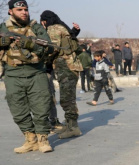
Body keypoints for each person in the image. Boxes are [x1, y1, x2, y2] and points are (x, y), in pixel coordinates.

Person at [0, 0, 53, 153]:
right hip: (12, 74)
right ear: (10, 12)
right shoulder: (3, 28)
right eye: (19, 10)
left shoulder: (36, 27)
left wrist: (28, 44)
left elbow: (48, 47)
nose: (24, 12)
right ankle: (31, 139)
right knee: (17, 108)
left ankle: (43, 139)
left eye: (25, 9)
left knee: (41, 107)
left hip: (36, 72)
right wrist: (4, 40)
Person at [40, 10, 83, 139]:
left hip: (66, 67)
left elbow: (53, 48)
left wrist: (41, 58)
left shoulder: (53, 28)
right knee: (67, 97)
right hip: (69, 67)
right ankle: (69, 125)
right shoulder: (62, 27)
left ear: (45, 21)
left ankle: (73, 128)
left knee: (67, 99)